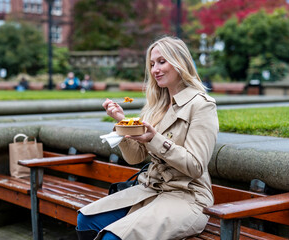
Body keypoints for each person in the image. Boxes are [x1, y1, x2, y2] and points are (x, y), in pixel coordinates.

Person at [76, 36, 219, 240]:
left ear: (180, 62)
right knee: (86, 219)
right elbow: (134, 158)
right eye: (152, 64)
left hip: (187, 197)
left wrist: (155, 139)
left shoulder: (202, 105)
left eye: (162, 62)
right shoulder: (156, 106)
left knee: (113, 238)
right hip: (151, 189)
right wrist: (122, 122)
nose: (155, 70)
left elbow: (196, 166)